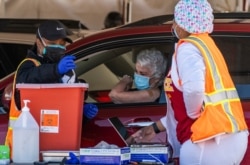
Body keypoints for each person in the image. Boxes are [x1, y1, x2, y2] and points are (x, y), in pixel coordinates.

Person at [128, 0, 249, 164]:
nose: (174, 25)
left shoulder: (188, 48)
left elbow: (194, 91)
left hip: (209, 141)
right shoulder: (205, 45)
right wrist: (155, 128)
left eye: (176, 20)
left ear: (185, 24)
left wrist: (193, 115)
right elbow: (185, 104)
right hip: (224, 137)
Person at [5, 20, 98, 155]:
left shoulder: (67, 71)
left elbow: (65, 109)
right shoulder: (28, 65)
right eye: (52, 43)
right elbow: (29, 79)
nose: (58, 48)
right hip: (26, 148)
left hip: (59, 146)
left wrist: (81, 112)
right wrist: (56, 70)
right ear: (38, 42)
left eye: (62, 44)